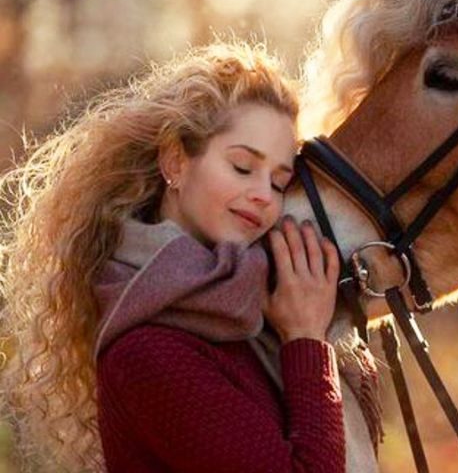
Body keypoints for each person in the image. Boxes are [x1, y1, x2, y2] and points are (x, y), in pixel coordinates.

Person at [0, 41, 349, 472]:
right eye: (242, 167)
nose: (262, 195)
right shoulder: (149, 353)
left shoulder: (254, 306)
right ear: (176, 161)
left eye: (279, 183)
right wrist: (306, 339)